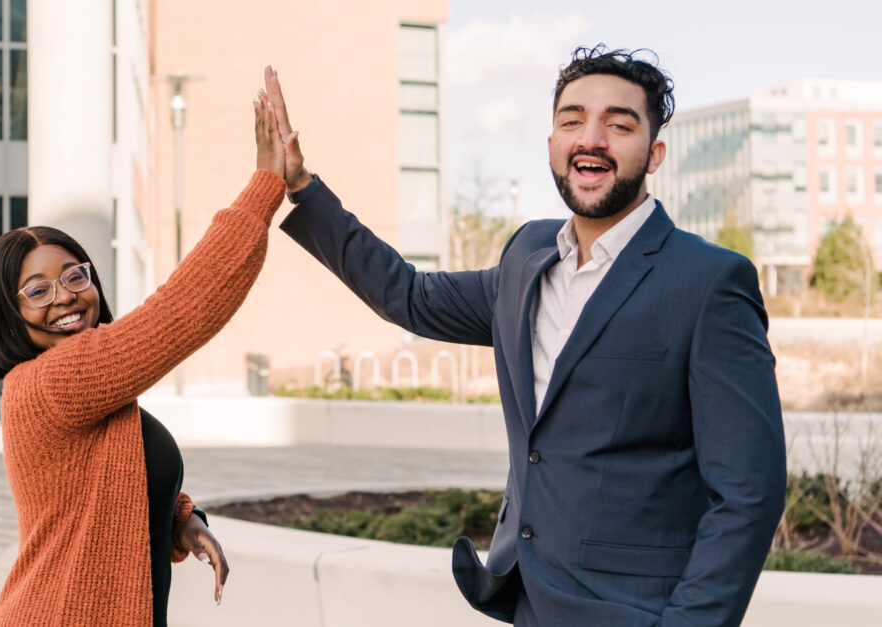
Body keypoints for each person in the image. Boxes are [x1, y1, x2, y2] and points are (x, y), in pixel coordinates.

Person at [263, 46, 786, 627]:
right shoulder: (527, 257)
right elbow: (406, 295)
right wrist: (302, 186)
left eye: (619, 124)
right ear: (551, 146)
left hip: (639, 614)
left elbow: (748, 495)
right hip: (529, 602)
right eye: (571, 121)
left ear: (654, 153)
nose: (592, 139)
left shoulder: (709, 281)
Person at [0, 92, 289, 626]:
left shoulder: (90, 392)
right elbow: (185, 310)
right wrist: (265, 185)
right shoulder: (53, 380)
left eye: (75, 276)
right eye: (38, 291)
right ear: (7, 314)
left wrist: (180, 518)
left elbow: (105, 476)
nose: (66, 297)